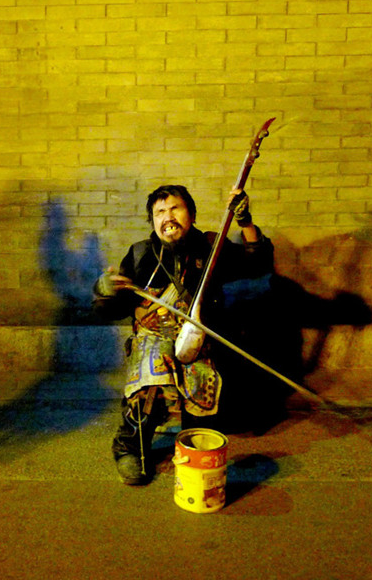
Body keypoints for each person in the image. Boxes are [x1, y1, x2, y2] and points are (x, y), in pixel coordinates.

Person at [93, 185, 275, 485]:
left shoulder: (211, 248)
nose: (168, 217)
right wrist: (106, 290)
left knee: (201, 385)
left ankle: (191, 444)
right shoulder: (140, 255)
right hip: (152, 339)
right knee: (150, 379)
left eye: (175, 209)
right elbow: (109, 308)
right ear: (152, 220)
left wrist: (245, 223)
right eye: (160, 212)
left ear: (191, 214)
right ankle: (129, 448)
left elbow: (258, 264)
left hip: (198, 341)